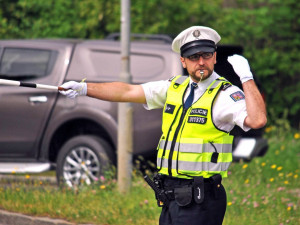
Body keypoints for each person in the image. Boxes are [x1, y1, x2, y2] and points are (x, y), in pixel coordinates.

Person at [59, 26, 267, 225]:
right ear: (183, 61)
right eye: (194, 57)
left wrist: (246, 78)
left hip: (201, 199)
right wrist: (85, 88)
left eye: (206, 55)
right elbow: (127, 92)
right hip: (172, 196)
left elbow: (257, 120)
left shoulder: (225, 94)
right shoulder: (175, 87)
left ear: (214, 57)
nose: (201, 62)